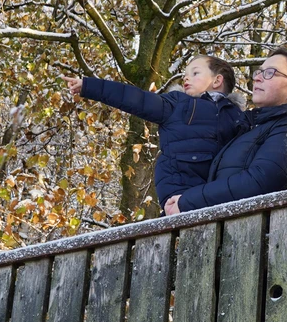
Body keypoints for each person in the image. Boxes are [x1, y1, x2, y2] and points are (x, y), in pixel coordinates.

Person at [64, 55, 245, 209]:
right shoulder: (176, 104)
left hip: (215, 190)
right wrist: (89, 86)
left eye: (195, 73)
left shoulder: (237, 116)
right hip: (179, 186)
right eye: (185, 75)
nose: (186, 78)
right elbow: (136, 99)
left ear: (217, 80)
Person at [164, 48, 287, 215]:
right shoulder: (250, 127)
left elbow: (260, 180)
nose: (257, 77)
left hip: (263, 233)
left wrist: (188, 201)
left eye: (270, 73)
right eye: (259, 72)